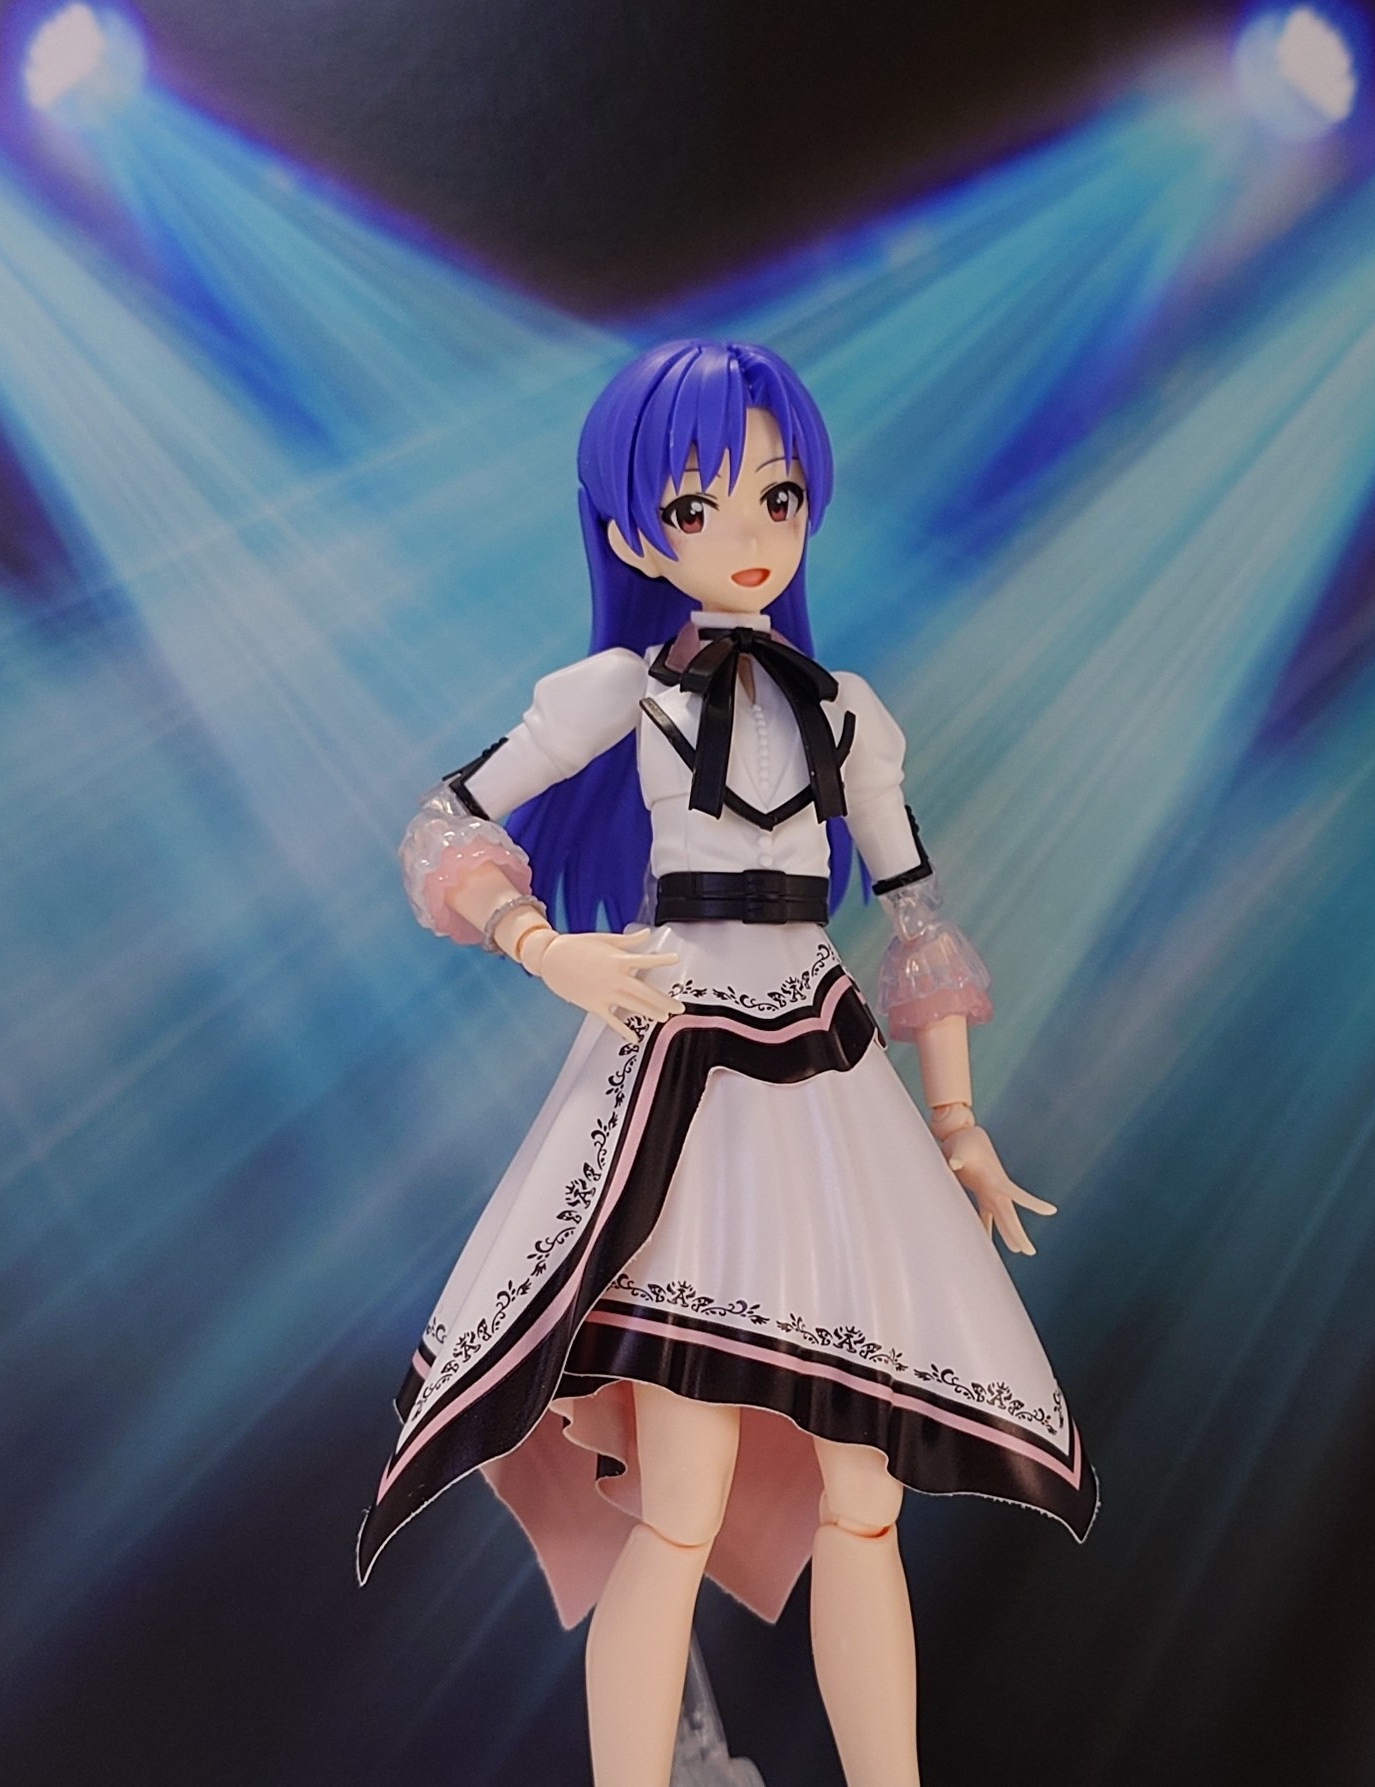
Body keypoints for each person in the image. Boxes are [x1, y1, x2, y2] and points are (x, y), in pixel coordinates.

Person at [363, 339, 1093, 1787]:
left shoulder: (848, 711)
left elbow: (917, 919)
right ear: (636, 533)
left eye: (778, 496)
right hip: (682, 1062)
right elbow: (445, 822)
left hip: (825, 1072)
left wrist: (957, 1123)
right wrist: (540, 945)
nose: (748, 535)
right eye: (695, 508)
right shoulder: (617, 691)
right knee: (680, 1500)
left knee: (865, 1493)